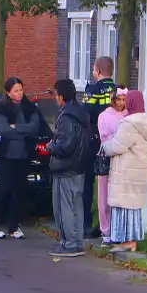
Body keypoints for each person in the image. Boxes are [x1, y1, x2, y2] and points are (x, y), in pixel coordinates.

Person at [101, 90, 147, 252]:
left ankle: (127, 240)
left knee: (123, 207)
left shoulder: (130, 123)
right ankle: (132, 239)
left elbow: (117, 146)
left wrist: (105, 145)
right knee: (133, 208)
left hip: (126, 171)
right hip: (140, 171)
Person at [0, 76, 41, 240]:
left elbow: (35, 127)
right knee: (4, 189)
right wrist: (22, 134)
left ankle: (14, 226)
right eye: (15, 91)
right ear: (8, 93)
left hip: (24, 155)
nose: (19, 93)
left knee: (20, 191)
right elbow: (3, 130)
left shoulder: (29, 107)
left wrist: (17, 127)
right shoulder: (2, 109)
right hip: (8, 155)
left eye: (21, 90)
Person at [47, 78, 90, 258]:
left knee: (62, 206)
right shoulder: (81, 113)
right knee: (76, 205)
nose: (55, 99)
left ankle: (69, 244)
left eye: (56, 95)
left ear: (62, 97)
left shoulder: (65, 117)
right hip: (79, 166)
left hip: (65, 167)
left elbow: (65, 146)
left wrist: (51, 146)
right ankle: (77, 241)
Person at [82, 56, 116, 238]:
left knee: (89, 182)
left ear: (97, 70)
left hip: (95, 139)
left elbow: (85, 112)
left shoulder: (93, 89)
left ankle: (86, 224)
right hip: (114, 140)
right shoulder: (117, 89)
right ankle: (108, 224)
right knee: (111, 183)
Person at [96, 86, 128, 244]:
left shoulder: (129, 115)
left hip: (124, 161)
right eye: (118, 100)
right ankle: (105, 230)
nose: (121, 103)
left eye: (124, 100)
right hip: (108, 159)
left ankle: (119, 229)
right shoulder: (104, 116)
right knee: (104, 194)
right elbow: (105, 137)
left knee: (120, 195)